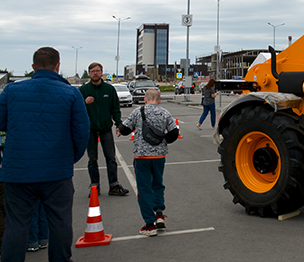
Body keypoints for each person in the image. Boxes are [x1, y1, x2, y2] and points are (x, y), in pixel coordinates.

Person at [0, 46, 90, 262]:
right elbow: (81, 131)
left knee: (16, 224)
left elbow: (2, 123)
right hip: (56, 172)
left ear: (33, 67)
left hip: (17, 171)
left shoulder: (11, 91)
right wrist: (71, 157)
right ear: (58, 66)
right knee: (60, 223)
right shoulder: (71, 93)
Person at [118, 88, 178, 236]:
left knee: (144, 189)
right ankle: (159, 213)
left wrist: (119, 128)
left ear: (145, 99)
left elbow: (125, 129)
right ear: (159, 100)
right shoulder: (165, 113)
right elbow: (174, 133)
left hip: (142, 157)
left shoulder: (138, 112)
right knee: (158, 184)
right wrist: (163, 140)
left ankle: (149, 224)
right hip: (159, 157)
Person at [80, 62, 130, 196]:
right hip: (90, 129)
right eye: (92, 71)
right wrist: (84, 103)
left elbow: (115, 108)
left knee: (111, 158)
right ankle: (94, 186)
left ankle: (114, 185)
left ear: (102, 72)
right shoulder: (84, 90)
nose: (95, 73)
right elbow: (76, 109)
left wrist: (118, 124)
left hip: (105, 128)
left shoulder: (109, 89)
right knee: (92, 159)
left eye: (97, 71)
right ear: (89, 73)